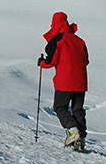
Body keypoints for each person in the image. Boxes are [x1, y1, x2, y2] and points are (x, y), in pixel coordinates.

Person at [38, 11, 89, 152]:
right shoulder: (80, 40)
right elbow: (86, 61)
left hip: (65, 81)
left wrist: (41, 62)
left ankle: (73, 132)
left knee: (60, 107)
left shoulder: (58, 39)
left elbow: (51, 61)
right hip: (81, 81)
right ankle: (81, 137)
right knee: (78, 108)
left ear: (55, 24)